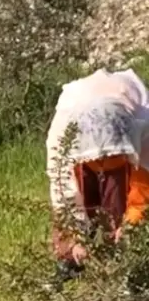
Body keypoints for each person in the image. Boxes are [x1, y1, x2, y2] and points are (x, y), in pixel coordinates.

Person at [46, 68, 149, 275]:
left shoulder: (143, 127)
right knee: (81, 189)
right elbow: (63, 195)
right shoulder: (62, 137)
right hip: (79, 140)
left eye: (108, 157)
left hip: (127, 130)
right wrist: (75, 238)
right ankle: (69, 260)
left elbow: (144, 186)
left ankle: (123, 254)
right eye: (98, 159)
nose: (102, 163)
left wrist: (132, 225)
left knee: (117, 191)